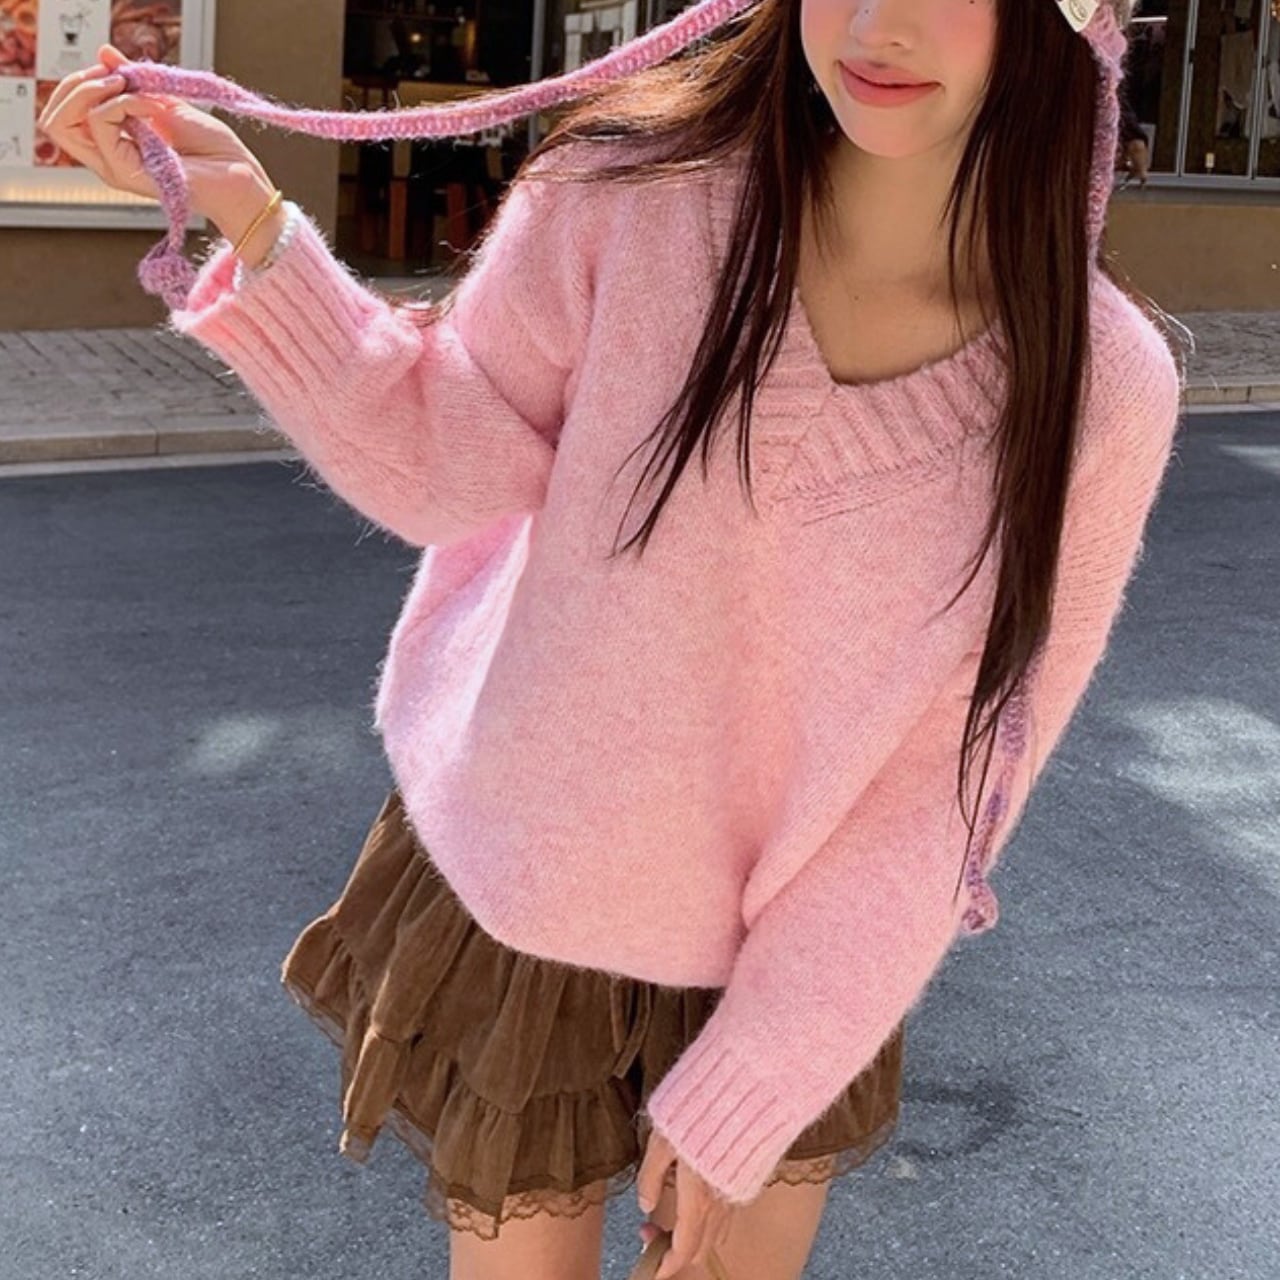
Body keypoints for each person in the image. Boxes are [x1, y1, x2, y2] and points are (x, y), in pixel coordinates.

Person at [38, 1, 1185, 1278]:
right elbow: (444, 459)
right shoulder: (628, 199)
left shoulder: (1097, 386)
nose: (877, 24)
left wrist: (762, 1068)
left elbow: (943, 790)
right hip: (535, 882)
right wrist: (253, 221)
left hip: (795, 965)